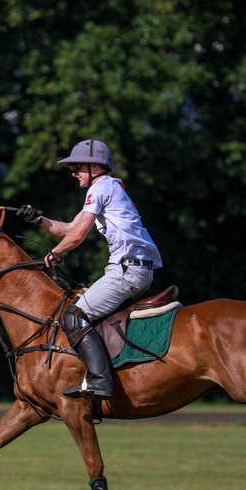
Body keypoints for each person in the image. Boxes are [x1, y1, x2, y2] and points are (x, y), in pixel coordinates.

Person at [17, 139, 162, 399]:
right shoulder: (109, 188)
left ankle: (100, 381)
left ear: (95, 167)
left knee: (73, 317)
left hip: (128, 271)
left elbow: (78, 236)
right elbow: (68, 229)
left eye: (77, 168)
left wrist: (56, 251)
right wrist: (38, 218)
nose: (73, 174)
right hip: (136, 269)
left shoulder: (101, 187)